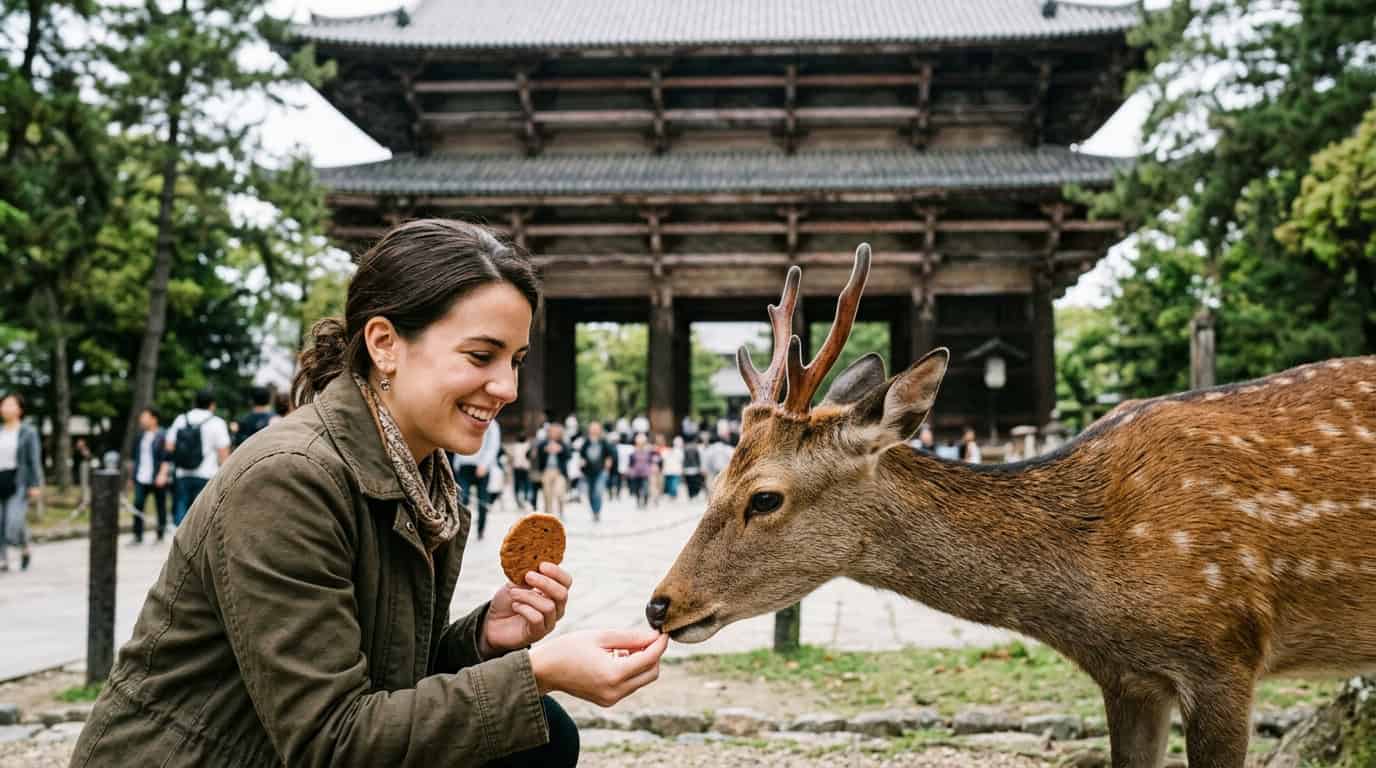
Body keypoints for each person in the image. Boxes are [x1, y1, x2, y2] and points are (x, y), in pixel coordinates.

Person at [72, 219, 668, 767]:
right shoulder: (290, 480)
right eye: (481, 356)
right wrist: (537, 672)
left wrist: (485, 637)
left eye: (516, 360)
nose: (507, 387)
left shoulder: (423, 477)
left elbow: (387, 675)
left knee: (542, 735)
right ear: (384, 343)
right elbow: (333, 741)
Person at [163, 388, 231, 527]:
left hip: (182, 472)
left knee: (181, 507)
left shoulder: (181, 419)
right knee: (203, 514)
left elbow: (169, 446)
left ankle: (179, 542)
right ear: (212, 404)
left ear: (195, 403)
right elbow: (223, 453)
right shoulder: (217, 422)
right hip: (207, 474)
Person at [0, 392, 42, 572]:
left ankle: (24, 546)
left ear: (19, 410)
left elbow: (34, 459)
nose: (5, 408)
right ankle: (3, 560)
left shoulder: (28, 432)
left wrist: (35, 484)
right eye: (4, 404)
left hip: (18, 481)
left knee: (13, 524)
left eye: (10, 404)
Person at [453, 418, 500, 539]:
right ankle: (458, 530)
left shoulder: (492, 424)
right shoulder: (464, 419)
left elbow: (493, 445)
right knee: (462, 499)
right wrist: (456, 464)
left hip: (481, 466)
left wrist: (485, 464)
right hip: (464, 464)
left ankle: (481, 529)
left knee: (482, 500)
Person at [127, 408, 169, 544]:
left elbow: (166, 458)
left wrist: (163, 474)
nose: (141, 420)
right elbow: (135, 459)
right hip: (141, 477)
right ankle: (137, 535)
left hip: (157, 477)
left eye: (145, 417)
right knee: (137, 504)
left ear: (154, 419)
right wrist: (131, 477)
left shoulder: (163, 436)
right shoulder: (139, 437)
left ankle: (160, 534)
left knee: (160, 506)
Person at [577, 421, 615, 522]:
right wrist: (581, 462)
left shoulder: (603, 441)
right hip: (588, 472)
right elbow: (581, 455)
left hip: (601, 471)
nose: (594, 430)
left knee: (598, 491)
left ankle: (597, 512)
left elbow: (610, 454)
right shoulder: (586, 442)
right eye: (592, 428)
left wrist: (608, 463)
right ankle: (594, 511)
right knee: (590, 493)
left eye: (596, 428)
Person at [535, 422, 570, 519]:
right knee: (547, 493)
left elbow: (568, 455)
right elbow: (537, 453)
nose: (553, 433)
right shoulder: (543, 443)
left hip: (559, 472)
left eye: (556, 432)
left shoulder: (563, 444)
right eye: (551, 431)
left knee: (559, 492)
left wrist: (560, 450)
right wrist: (545, 450)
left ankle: (561, 511)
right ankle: (548, 514)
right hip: (546, 471)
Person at [233, 385, 275, 450]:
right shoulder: (275, 420)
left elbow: (237, 443)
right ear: (269, 400)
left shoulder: (243, 420)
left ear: (252, 401)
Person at [510, 431, 533, 510]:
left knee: (525, 485)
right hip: (518, 468)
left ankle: (526, 499)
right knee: (519, 485)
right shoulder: (516, 446)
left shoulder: (527, 445)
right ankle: (519, 500)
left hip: (524, 468)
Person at [661, 436, 684, 501]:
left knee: (672, 483)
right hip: (672, 470)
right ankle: (672, 494)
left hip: (672, 470)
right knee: (671, 483)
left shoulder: (666, 452)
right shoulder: (666, 451)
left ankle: (673, 494)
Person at [681, 435, 703, 499]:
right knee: (695, 482)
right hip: (695, 467)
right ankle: (695, 493)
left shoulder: (685, 448)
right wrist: (699, 466)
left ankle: (691, 494)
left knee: (689, 483)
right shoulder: (696, 448)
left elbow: (683, 459)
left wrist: (683, 467)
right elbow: (698, 458)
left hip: (687, 468)